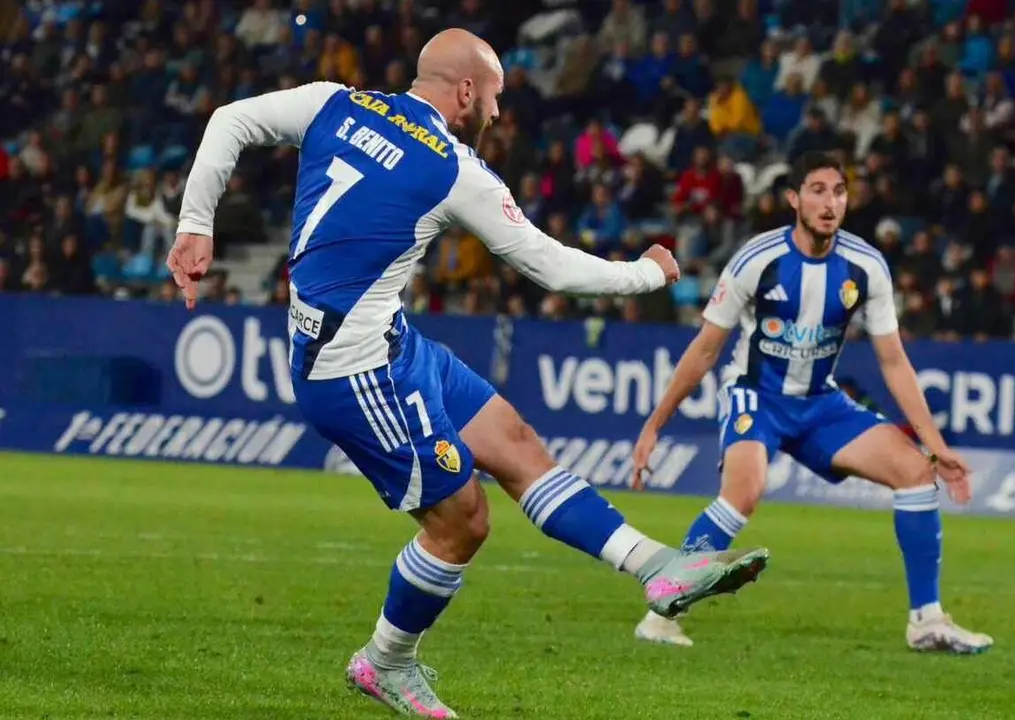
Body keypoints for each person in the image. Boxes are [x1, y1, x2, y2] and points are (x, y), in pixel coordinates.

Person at [167, 29, 769, 720]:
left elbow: (230, 119)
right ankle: (385, 664)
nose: (498, 112)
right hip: (354, 370)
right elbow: (551, 266)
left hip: (389, 342)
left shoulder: (336, 103)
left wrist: (195, 224)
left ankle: (658, 568)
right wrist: (648, 272)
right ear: (464, 92)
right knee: (463, 522)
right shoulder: (452, 167)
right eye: (496, 96)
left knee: (515, 442)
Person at [628, 150, 993, 654]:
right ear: (794, 199)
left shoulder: (865, 266)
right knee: (745, 490)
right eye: (817, 190)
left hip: (821, 403)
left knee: (914, 472)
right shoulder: (757, 260)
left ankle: (927, 621)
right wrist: (654, 425)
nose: (829, 202)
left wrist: (934, 445)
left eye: (839, 191)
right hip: (756, 395)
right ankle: (661, 613)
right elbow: (706, 348)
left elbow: (893, 362)